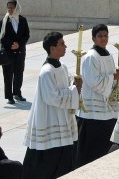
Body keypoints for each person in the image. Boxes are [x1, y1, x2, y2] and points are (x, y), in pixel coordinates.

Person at [22, 32, 81, 178]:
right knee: (47, 160)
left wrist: (75, 86)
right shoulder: (46, 71)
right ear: (52, 48)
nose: (65, 46)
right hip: (49, 118)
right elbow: (52, 98)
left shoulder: (63, 67)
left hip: (62, 117)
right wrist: (75, 89)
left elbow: (66, 88)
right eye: (62, 44)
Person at [74, 24, 119, 168]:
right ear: (93, 38)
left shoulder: (109, 54)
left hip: (108, 109)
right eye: (100, 36)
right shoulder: (91, 57)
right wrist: (113, 77)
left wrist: (118, 84)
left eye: (106, 35)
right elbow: (92, 81)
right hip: (93, 112)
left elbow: (113, 77)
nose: (103, 39)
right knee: (90, 152)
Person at [0, 0, 30, 104]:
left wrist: (19, 44)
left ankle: (17, 93)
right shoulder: (4, 21)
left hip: (20, 52)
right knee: (8, 75)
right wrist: (11, 45)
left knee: (19, 73)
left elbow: (27, 35)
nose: (10, 9)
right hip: (8, 52)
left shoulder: (22, 20)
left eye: (12, 7)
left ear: (16, 8)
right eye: (8, 7)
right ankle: (9, 96)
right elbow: (2, 37)